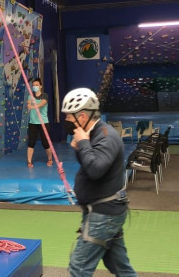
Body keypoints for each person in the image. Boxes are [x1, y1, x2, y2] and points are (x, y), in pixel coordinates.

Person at [62, 88, 136, 277]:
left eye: (70, 118)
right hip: (106, 212)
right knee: (119, 266)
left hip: (103, 215)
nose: (67, 122)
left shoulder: (106, 136)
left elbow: (95, 170)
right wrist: (81, 147)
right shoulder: (94, 134)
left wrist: (83, 145)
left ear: (83, 117)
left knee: (78, 267)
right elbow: (89, 165)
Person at [26, 78, 53, 168]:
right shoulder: (30, 97)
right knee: (31, 142)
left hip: (43, 122)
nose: (35, 87)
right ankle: (29, 162)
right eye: (33, 85)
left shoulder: (44, 95)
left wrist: (34, 106)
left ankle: (50, 159)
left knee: (45, 143)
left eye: (37, 85)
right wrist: (29, 105)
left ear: (40, 86)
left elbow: (42, 103)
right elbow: (29, 103)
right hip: (33, 122)